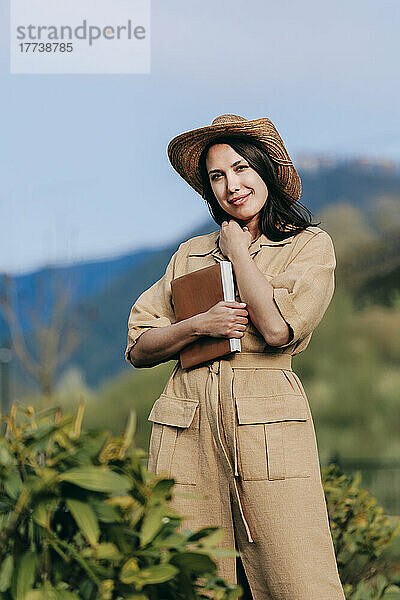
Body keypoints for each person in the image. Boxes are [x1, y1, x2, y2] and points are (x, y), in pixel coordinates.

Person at [124, 114, 346, 600]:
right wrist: (196, 326)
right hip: (185, 427)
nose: (232, 185)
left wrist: (238, 252)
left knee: (301, 579)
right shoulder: (189, 254)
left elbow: (275, 327)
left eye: (241, 168)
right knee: (188, 579)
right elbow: (139, 346)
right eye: (217, 177)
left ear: (266, 170)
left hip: (268, 423)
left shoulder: (308, 247)